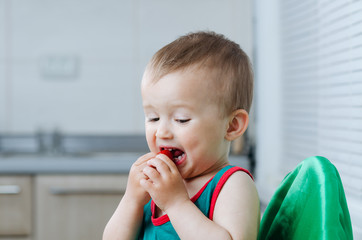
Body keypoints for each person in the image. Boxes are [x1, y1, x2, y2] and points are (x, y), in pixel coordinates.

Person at [103, 31, 260, 240]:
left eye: (181, 119)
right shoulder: (157, 185)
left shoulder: (233, 185)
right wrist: (131, 200)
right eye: (153, 118)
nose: (162, 132)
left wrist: (176, 204)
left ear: (231, 126)